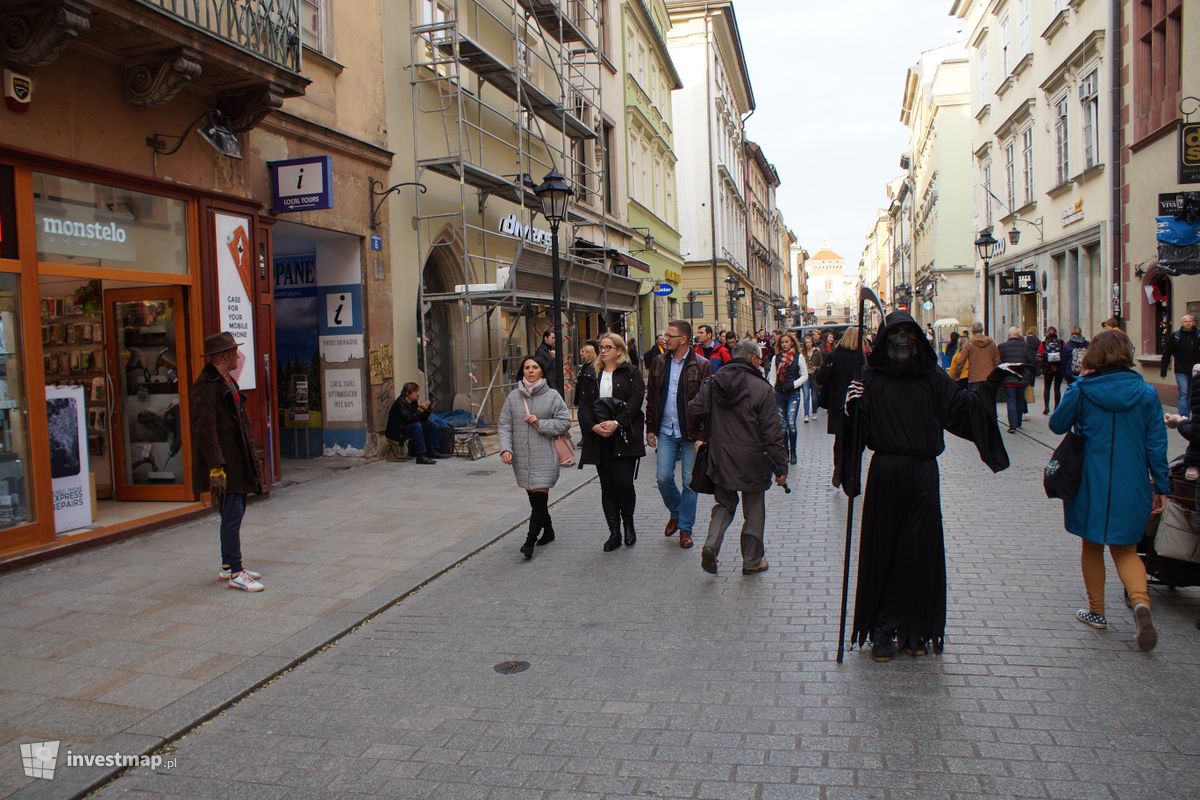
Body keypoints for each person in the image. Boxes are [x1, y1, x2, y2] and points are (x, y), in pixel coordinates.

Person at [843, 312, 1009, 662]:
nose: (902, 341)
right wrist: (850, 409)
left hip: (922, 474)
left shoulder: (932, 378)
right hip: (886, 473)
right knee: (884, 550)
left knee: (919, 551)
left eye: (909, 334)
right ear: (886, 340)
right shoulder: (870, 378)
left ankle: (915, 627)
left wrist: (990, 384)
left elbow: (962, 412)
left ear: (918, 340)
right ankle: (882, 629)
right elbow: (855, 431)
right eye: (896, 335)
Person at [1050, 329, 1168, 652]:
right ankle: (1141, 603)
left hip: (1090, 481)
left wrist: (1077, 385)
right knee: (1126, 550)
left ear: (1094, 356)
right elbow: (1156, 444)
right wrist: (1162, 486)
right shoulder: (1146, 394)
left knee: (1092, 544)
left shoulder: (1083, 390)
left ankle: (1097, 611)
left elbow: (1057, 424)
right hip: (1133, 483)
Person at [687, 339, 788, 575]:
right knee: (754, 510)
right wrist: (781, 467)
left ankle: (711, 544)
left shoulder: (714, 382)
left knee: (724, 503)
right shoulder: (761, 388)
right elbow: (772, 433)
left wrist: (707, 429)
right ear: (753, 359)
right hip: (754, 458)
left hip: (720, 455)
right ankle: (752, 561)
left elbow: (693, 409)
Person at [190, 332, 264, 592]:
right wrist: (216, 465)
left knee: (235, 512)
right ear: (223, 356)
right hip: (226, 462)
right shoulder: (205, 385)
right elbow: (205, 430)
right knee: (231, 516)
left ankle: (227, 565)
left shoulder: (225, 379)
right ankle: (236, 571)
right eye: (233, 352)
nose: (237, 356)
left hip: (236, 457)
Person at [645, 320, 712, 549]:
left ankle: (685, 528)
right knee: (663, 477)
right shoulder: (659, 362)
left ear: (683, 339)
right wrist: (650, 427)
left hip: (690, 433)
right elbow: (652, 397)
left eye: (670, 335)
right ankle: (676, 511)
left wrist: (703, 435)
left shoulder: (701, 365)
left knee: (690, 482)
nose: (665, 338)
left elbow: (707, 404)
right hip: (665, 429)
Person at [499, 357, 572, 560]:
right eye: (527, 368)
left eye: (535, 367)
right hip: (521, 457)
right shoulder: (513, 396)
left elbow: (564, 422)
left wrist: (541, 423)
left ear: (542, 371)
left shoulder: (552, 396)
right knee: (535, 502)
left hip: (545, 454)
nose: (531, 371)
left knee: (539, 500)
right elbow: (504, 424)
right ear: (523, 371)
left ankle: (529, 542)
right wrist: (505, 448)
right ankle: (548, 531)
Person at [578, 332, 646, 551]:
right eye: (601, 347)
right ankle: (614, 531)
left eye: (608, 347)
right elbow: (585, 405)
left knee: (624, 483)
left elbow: (635, 403)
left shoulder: (632, 372)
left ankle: (628, 524)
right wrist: (593, 426)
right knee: (607, 486)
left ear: (619, 350)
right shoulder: (591, 373)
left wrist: (617, 423)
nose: (603, 350)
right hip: (600, 438)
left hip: (624, 437)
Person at [817, 326, 862, 489]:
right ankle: (852, 475)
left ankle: (838, 467)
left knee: (840, 440)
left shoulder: (833, 356)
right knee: (855, 441)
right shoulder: (861, 358)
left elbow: (821, 378)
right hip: (856, 405)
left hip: (838, 405)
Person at [767, 332, 808, 465]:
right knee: (782, 426)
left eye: (786, 342)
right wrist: (772, 389)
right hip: (779, 394)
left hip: (793, 394)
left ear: (792, 343)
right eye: (782, 342)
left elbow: (804, 375)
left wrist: (794, 384)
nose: (784, 344)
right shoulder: (775, 358)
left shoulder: (798, 357)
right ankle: (784, 452)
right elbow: (772, 376)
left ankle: (793, 451)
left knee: (791, 423)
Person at [385, 382, 450, 465]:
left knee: (430, 424)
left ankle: (432, 450)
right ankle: (421, 455)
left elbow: (421, 418)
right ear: (408, 394)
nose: (418, 394)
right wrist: (420, 409)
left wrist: (427, 409)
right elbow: (409, 419)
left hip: (408, 425)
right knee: (416, 426)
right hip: (397, 431)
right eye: (416, 392)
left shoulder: (413, 401)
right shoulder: (400, 403)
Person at [1160, 314, 1198, 417]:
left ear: (1194, 322)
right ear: (1182, 323)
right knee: (1184, 391)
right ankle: (1183, 415)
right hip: (1181, 370)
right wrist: (1163, 370)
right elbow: (1167, 353)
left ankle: (1190, 412)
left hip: (1196, 369)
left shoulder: (1198, 335)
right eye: (1185, 321)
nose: (1188, 323)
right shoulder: (1176, 336)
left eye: (1190, 321)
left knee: (1192, 392)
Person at [997, 327, 1033, 433]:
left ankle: (1012, 425)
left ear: (1009, 335)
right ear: (1018, 336)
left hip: (1008, 378)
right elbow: (1030, 361)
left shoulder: (1002, 347)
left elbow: (999, 362)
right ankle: (1018, 422)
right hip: (1021, 378)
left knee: (1011, 401)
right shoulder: (1025, 346)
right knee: (1020, 399)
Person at [964, 322, 1000, 405]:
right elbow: (997, 361)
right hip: (989, 378)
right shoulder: (991, 343)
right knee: (990, 402)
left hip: (974, 378)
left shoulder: (969, 343)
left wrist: (956, 376)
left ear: (972, 331)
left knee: (975, 404)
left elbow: (961, 361)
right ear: (982, 330)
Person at [1037, 326, 1065, 413]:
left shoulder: (1043, 343)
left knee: (1047, 388)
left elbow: (1039, 356)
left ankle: (1046, 408)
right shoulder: (1061, 342)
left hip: (1047, 368)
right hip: (1059, 368)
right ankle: (1056, 407)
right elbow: (1064, 354)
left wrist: (1042, 366)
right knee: (1057, 388)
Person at [800, 334, 824, 423]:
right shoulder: (802, 353)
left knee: (814, 397)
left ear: (812, 342)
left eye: (809, 342)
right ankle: (806, 414)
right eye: (806, 342)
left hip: (814, 376)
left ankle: (814, 411)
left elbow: (822, 365)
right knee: (806, 396)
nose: (808, 344)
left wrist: (816, 368)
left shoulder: (817, 352)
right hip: (805, 376)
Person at [574, 343, 598, 414]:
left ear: (588, 353)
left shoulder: (593, 366)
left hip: (587, 401)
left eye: (583, 352)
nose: (581, 354)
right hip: (581, 398)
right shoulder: (585, 365)